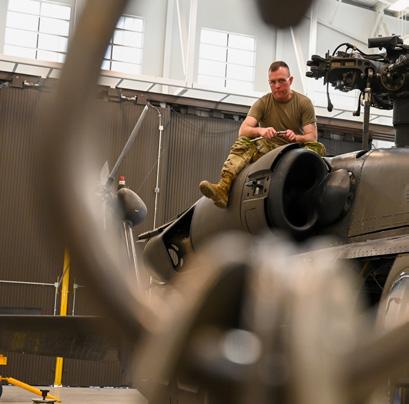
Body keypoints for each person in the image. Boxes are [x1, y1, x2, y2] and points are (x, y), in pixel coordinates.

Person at [199, 60, 326, 208]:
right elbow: (243, 130)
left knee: (318, 148)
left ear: (290, 80)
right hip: (268, 151)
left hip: (293, 151)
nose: (277, 86)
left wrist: (295, 137)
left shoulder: (304, 103)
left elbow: (312, 137)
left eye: (281, 81)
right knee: (244, 141)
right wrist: (261, 131)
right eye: (273, 82)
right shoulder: (263, 103)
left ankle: (305, 191)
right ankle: (223, 187)